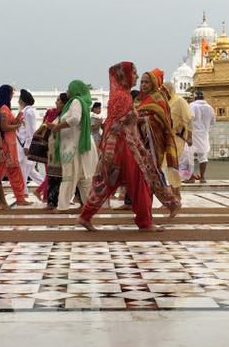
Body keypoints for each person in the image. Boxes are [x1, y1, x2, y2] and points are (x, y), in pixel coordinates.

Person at [79, 62, 180, 231]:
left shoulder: (121, 94)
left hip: (122, 146)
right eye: (133, 73)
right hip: (126, 147)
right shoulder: (124, 97)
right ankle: (145, 222)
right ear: (124, 75)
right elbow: (117, 124)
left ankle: (85, 215)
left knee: (108, 182)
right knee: (140, 181)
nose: (137, 77)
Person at [51, 81, 98, 210]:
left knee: (69, 176)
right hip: (81, 146)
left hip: (74, 147)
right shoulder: (80, 103)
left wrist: (58, 127)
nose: (67, 91)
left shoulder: (76, 102)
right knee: (84, 178)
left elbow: (75, 119)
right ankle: (90, 208)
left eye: (69, 88)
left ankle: (62, 206)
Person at [137, 69, 179, 200]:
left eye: (147, 82)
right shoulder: (141, 98)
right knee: (144, 172)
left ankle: (170, 200)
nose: (143, 85)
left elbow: (164, 121)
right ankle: (144, 202)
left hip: (155, 141)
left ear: (153, 83)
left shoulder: (159, 98)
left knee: (153, 170)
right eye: (142, 82)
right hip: (141, 140)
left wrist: (143, 119)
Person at [0, 84, 31, 206]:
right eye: (11, 94)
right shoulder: (3, 109)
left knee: (11, 172)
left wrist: (17, 120)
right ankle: (19, 198)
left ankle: (20, 198)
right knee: (5, 173)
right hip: (7, 146)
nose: (12, 96)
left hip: (9, 144)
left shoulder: (4, 108)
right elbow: (4, 127)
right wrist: (17, 125)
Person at [164, 81, 193, 200]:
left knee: (172, 166)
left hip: (178, 138)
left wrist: (190, 136)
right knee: (168, 167)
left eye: (164, 90)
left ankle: (175, 195)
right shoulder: (166, 103)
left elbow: (189, 119)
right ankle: (174, 195)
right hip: (167, 139)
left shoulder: (180, 101)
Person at [39, 92, 67, 210]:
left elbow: (64, 130)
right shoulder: (55, 114)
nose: (56, 102)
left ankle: (56, 202)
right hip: (52, 150)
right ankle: (51, 202)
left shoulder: (65, 116)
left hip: (60, 150)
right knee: (52, 176)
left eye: (59, 101)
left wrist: (52, 126)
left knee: (58, 177)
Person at [16, 89, 44, 188]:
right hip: (22, 145)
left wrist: (28, 146)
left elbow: (31, 131)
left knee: (24, 170)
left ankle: (23, 192)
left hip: (25, 146)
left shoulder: (29, 112)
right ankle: (45, 187)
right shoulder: (24, 111)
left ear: (22, 101)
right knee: (30, 171)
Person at [189, 89, 216, 182]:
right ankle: (203, 177)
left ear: (195, 97)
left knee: (189, 155)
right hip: (204, 133)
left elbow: (189, 119)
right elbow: (213, 122)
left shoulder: (192, 106)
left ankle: (191, 177)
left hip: (193, 134)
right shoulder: (210, 107)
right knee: (203, 156)